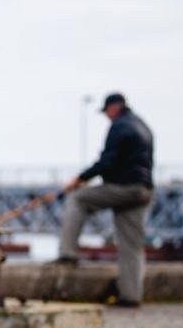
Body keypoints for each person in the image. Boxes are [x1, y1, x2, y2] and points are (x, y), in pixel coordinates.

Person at [56, 92, 154, 307]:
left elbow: (107, 161)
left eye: (106, 112)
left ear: (114, 108)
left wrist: (81, 178)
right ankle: (131, 296)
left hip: (124, 186)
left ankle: (68, 254)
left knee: (77, 199)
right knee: (132, 245)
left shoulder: (120, 126)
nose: (107, 117)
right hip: (143, 190)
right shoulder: (143, 127)